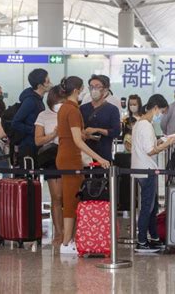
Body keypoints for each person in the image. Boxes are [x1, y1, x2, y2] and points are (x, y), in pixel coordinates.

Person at [56, 76, 110, 254]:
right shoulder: (72, 110)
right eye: (83, 88)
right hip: (71, 157)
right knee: (71, 201)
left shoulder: (65, 108)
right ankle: (66, 243)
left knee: (71, 198)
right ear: (76, 90)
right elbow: (77, 141)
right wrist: (99, 158)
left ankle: (69, 239)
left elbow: (73, 136)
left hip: (65, 155)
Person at [130, 94, 175, 253]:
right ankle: (142, 241)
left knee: (152, 205)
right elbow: (150, 150)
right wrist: (167, 144)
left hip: (142, 168)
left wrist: (160, 141)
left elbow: (146, 146)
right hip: (146, 169)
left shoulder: (140, 123)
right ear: (155, 108)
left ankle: (153, 237)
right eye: (161, 112)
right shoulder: (146, 125)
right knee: (148, 207)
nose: (160, 116)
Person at [34, 85, 64, 245]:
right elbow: (38, 140)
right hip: (52, 158)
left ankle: (70, 232)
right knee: (57, 197)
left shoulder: (71, 112)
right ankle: (59, 232)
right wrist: (53, 134)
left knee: (70, 197)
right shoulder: (43, 115)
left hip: (69, 158)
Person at [12, 69, 50, 163]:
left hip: (35, 144)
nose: (50, 84)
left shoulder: (38, 100)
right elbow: (15, 122)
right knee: (27, 176)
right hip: (28, 146)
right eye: (48, 82)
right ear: (40, 85)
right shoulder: (30, 101)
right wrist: (34, 130)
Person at [80, 75, 121, 162]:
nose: (94, 90)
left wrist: (97, 130)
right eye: (91, 87)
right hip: (84, 155)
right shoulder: (82, 108)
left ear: (105, 89)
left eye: (97, 86)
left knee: (102, 175)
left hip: (104, 154)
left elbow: (116, 132)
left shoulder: (112, 109)